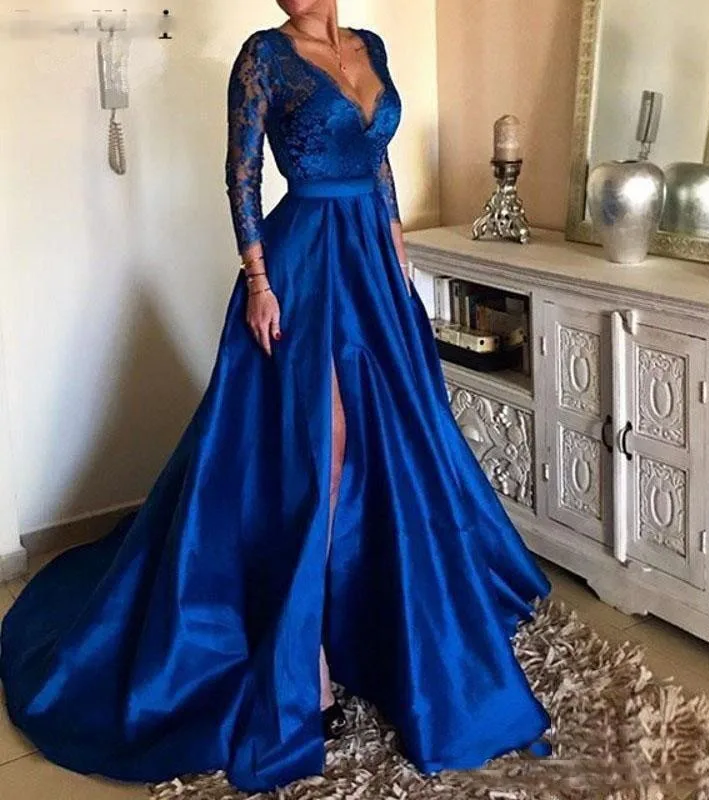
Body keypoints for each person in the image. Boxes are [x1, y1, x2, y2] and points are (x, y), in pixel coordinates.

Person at [0, 0, 553, 793]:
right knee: (319, 453)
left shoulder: (371, 45)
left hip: (371, 265)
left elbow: (378, 160)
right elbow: (243, 172)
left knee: (391, 445)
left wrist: (396, 250)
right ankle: (309, 655)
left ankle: (388, 619)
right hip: (303, 263)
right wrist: (259, 281)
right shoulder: (264, 55)